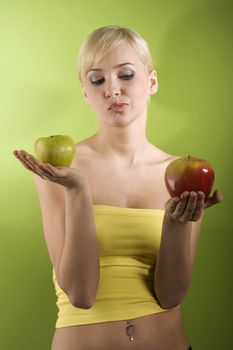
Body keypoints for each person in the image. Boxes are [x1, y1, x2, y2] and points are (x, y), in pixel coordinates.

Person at [13, 25, 223, 350]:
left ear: (151, 81)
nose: (112, 90)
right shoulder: (59, 170)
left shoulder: (183, 176)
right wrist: (77, 192)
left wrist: (176, 223)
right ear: (85, 92)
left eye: (126, 75)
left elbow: (171, 296)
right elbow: (80, 295)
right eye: (97, 80)